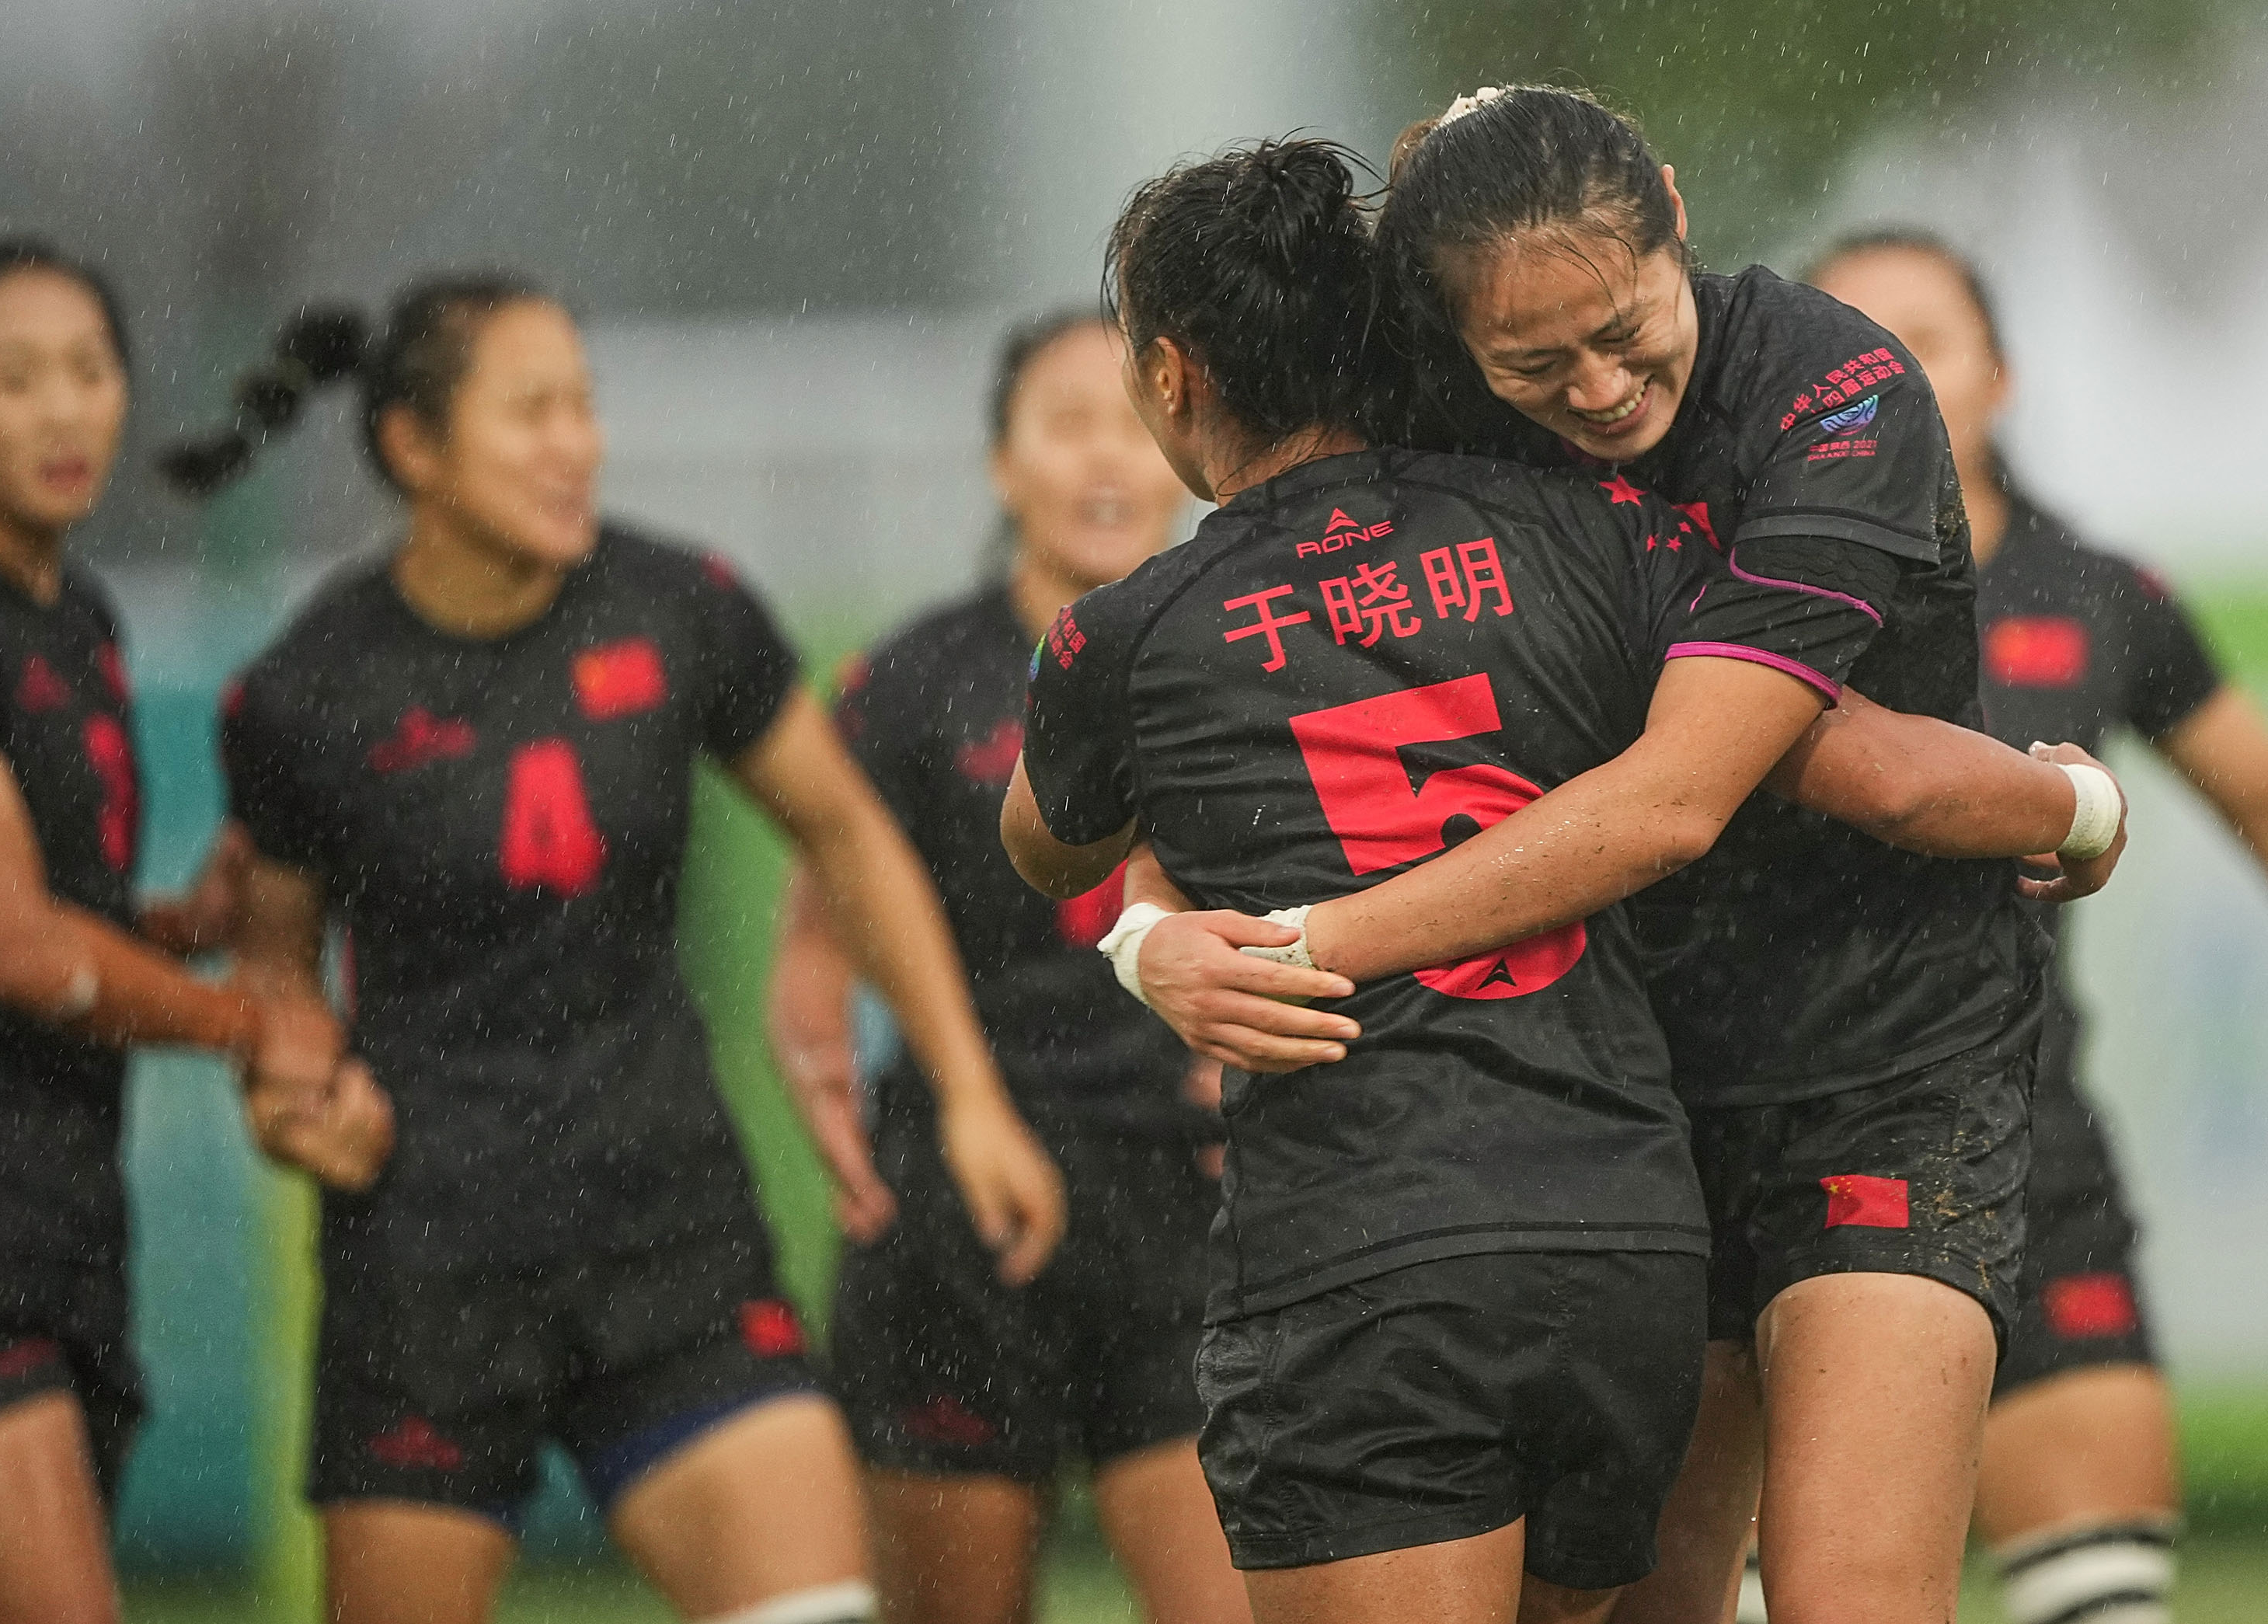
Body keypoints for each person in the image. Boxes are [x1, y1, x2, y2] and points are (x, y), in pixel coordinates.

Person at [1002, 138, 2118, 1624]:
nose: (1593, 388)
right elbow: (1859, 765)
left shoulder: (1832, 392)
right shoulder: (1563, 519)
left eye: (1619, 330)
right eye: (1536, 357)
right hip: (1640, 1132)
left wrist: (1255, 940)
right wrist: (1154, 933)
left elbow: (1719, 791)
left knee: (1846, 1595)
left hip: (1860, 1068)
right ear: (1437, 336)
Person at [168, 275, 1066, 1624]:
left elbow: (849, 833)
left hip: (668, 1234)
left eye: (583, 405)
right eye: (531, 410)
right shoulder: (305, 692)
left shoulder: (677, 604)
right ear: (414, 448)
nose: (575, 442)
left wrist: (974, 1095)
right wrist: (292, 1094)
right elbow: (278, 971)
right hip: (426, 1263)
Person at [1809, 228, 2268, 1624]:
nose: (1890, 383)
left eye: (1926, 346)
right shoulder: (1744, 592)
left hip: (2027, 1142)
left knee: (2104, 1600)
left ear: (2001, 374)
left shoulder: (2097, 592)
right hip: (1776, 1149)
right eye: (1848, 360)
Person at [765, 310, 1245, 1624]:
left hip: (1190, 1203)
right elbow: (815, 939)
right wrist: (832, 1107)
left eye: (1134, 421)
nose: (1105, 456)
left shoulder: (1250, 650)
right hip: (962, 1209)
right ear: (1001, 465)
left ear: (1186, 448)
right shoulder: (909, 683)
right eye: (1066, 421)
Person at [0, 237, 354, 1624]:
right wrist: (253, 1020)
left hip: (51, 1212)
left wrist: (181, 929)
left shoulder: (76, 613)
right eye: (16, 378)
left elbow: (58, 926)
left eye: (90, 370)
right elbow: (3, 944)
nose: (65, 409)